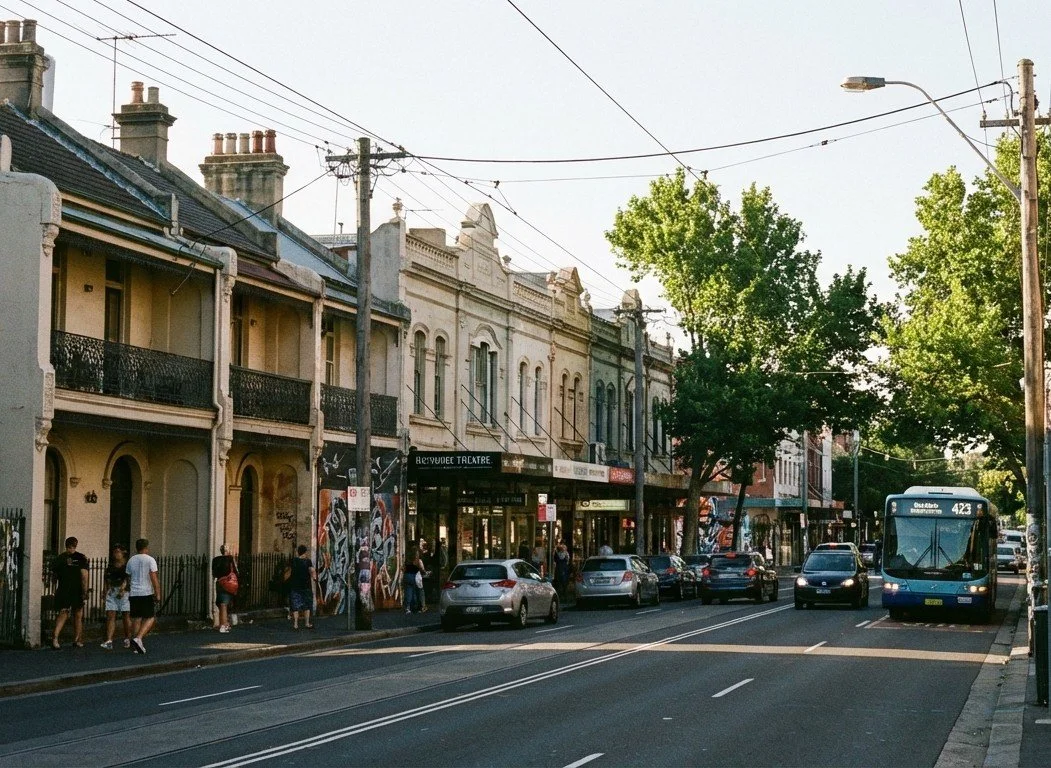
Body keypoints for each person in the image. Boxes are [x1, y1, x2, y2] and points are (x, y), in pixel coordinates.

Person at [51, 536, 89, 649]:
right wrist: (85, 591)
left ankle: (55, 638)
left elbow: (54, 576)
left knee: (63, 613)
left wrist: (55, 590)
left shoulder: (60, 558)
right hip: (76, 589)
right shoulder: (81, 558)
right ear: (76, 545)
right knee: (78, 614)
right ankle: (77, 640)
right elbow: (84, 576)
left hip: (63, 588)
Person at [126, 538, 160, 654]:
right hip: (146, 592)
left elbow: (128, 577)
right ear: (146, 547)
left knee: (136, 618)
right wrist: (158, 593)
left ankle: (136, 644)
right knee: (150, 617)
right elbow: (153, 578)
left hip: (134, 592)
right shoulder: (150, 560)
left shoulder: (131, 560)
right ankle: (139, 638)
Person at [101, 544, 131, 650]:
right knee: (111, 615)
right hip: (112, 591)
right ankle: (109, 640)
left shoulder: (127, 566)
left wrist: (123, 589)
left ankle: (128, 638)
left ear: (123, 553)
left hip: (124, 592)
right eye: (115, 552)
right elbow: (106, 579)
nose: (116, 554)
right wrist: (105, 592)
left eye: (118, 552)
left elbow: (127, 579)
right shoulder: (110, 566)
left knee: (125, 616)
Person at [288, 544, 316, 630]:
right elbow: (312, 571)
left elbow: (289, 571)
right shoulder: (308, 561)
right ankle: (307, 623)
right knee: (306, 605)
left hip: (295, 586)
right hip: (305, 586)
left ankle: (295, 624)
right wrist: (314, 577)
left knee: (295, 606)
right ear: (305, 552)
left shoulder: (294, 560)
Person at [211, 544, 237, 634]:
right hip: (228, 582)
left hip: (219, 582)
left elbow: (213, 573)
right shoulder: (230, 558)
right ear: (227, 550)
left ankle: (222, 623)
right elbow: (235, 570)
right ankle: (224, 625)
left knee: (220, 603)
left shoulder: (215, 559)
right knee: (224, 604)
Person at [403, 549, 422, 614]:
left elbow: (403, 568)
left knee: (408, 591)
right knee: (415, 592)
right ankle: (414, 607)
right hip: (414, 576)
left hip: (407, 575)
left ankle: (408, 607)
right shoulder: (416, 561)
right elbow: (420, 568)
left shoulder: (407, 560)